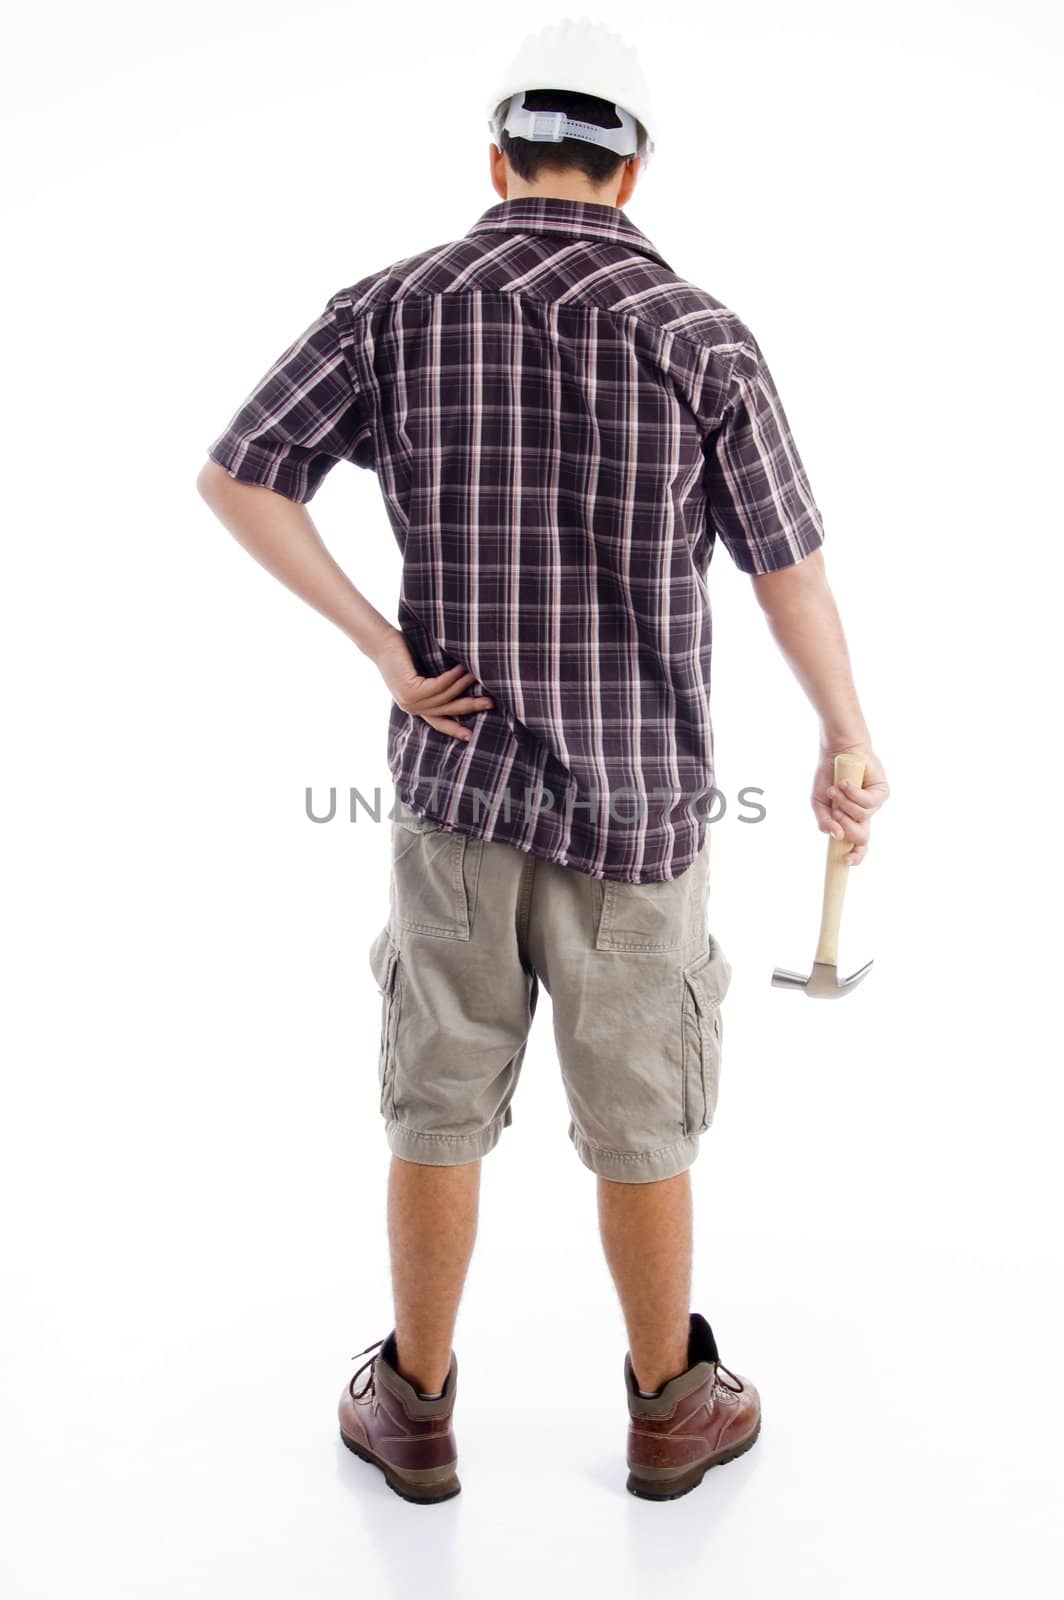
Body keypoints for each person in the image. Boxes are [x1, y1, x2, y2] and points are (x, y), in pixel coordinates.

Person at [196, 19, 889, 1505]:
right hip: (641, 816)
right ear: (633, 171)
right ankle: (668, 1404)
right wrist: (845, 735)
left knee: (437, 1095)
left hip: (456, 797)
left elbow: (238, 477)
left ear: (497, 157)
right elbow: (790, 575)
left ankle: (419, 1406)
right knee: (641, 1110)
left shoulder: (394, 307)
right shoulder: (701, 333)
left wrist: (384, 650)